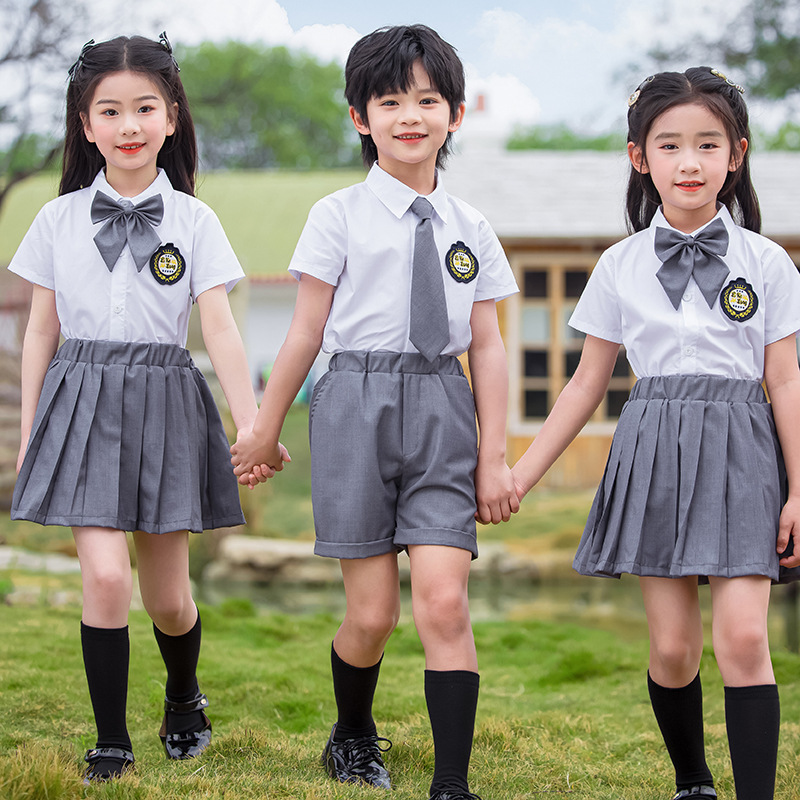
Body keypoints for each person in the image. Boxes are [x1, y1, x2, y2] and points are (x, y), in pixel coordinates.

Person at [231, 24, 518, 800]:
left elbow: (486, 346)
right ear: (361, 118)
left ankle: (451, 783)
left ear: (455, 114)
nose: (409, 116)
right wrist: (263, 425)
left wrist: (495, 454)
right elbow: (305, 332)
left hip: (442, 408)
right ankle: (353, 735)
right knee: (372, 617)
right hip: (353, 404)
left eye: (427, 99)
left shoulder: (473, 230)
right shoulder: (337, 215)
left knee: (445, 600)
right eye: (389, 101)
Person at [509, 67, 800, 800]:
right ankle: (692, 781)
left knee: (741, 639)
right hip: (654, 454)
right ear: (641, 157)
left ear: (736, 154)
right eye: (670, 145)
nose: (690, 162)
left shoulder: (769, 264)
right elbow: (584, 384)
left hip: (744, 455)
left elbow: (787, 382)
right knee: (672, 649)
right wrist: (519, 475)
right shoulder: (619, 266)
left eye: (708, 144)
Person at [9, 33, 275, 782]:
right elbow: (39, 332)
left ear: (171, 117)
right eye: (111, 111)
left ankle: (184, 691)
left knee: (168, 600)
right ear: (86, 125)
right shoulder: (56, 221)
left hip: (166, 401)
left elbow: (219, 327)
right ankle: (110, 739)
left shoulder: (195, 222)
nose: (129, 125)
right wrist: (33, 430)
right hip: (81, 400)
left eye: (145, 108)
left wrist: (251, 424)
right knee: (103, 579)